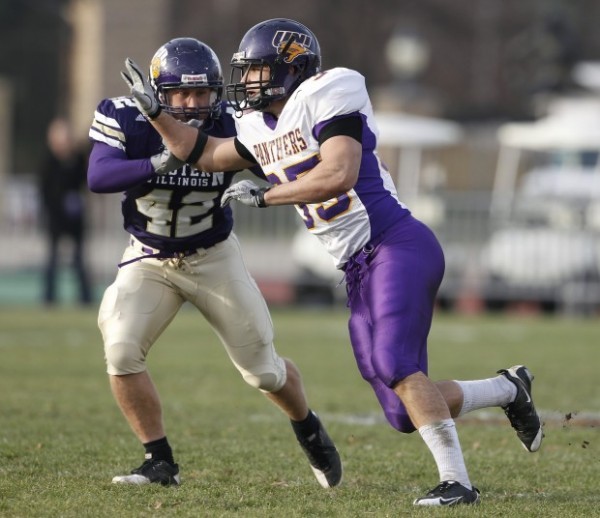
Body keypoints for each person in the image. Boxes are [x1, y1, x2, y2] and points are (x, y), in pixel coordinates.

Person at [121, 20, 543, 505]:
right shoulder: (257, 125)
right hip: (358, 268)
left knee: (395, 363)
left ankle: (458, 484)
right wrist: (155, 113)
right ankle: (508, 390)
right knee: (402, 411)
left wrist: (268, 195)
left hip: (395, 243)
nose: (249, 81)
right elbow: (205, 153)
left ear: (291, 68)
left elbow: (339, 173)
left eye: (258, 70)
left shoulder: (330, 90)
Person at [89, 37, 342, 488]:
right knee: (121, 351)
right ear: (158, 94)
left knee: (264, 372)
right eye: (181, 94)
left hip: (213, 256)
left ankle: (306, 424)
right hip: (149, 257)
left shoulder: (234, 123)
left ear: (216, 94)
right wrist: (158, 160)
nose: (191, 104)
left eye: (202, 93)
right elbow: (99, 174)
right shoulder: (125, 114)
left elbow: (285, 168)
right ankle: (159, 460)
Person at [38, 117, 93, 306]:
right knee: (52, 260)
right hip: (56, 219)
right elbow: (44, 192)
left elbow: (86, 181)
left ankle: (85, 297)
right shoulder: (48, 162)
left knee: (79, 260)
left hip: (75, 219)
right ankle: (49, 298)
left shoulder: (77, 159)